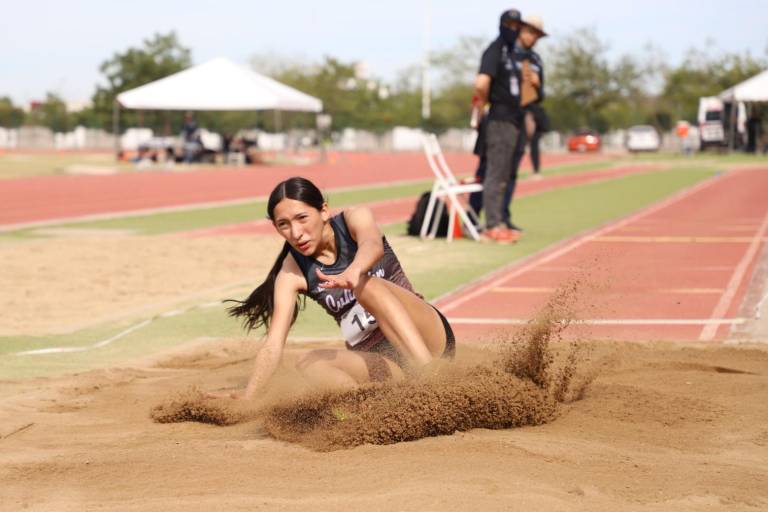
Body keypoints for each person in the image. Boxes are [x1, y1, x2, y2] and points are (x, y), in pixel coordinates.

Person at [207, 177, 455, 400]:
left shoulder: (355, 218)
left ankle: (431, 378)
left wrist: (355, 270)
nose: (296, 233)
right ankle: (361, 412)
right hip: (383, 361)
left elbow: (372, 244)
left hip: (427, 338)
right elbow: (273, 346)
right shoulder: (292, 272)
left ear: (323, 211)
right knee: (307, 361)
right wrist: (250, 396)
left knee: (364, 285)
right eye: (283, 224)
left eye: (302, 218)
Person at [473, 8, 525, 244]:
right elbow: (482, 82)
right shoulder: (494, 51)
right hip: (498, 120)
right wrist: (481, 106)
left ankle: (499, 221)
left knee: (504, 173)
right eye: (510, 26)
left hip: (513, 120)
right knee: (495, 173)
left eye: (517, 27)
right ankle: (491, 225)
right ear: (502, 25)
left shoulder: (513, 53)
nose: (513, 30)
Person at [502, 15, 548, 230]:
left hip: (523, 118)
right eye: (530, 32)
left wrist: (537, 86)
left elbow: (541, 95)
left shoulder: (536, 60)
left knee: (512, 171)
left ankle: (504, 215)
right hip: (502, 119)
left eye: (537, 35)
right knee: (494, 171)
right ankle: (481, 218)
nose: (533, 38)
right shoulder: (505, 53)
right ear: (520, 30)